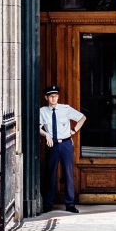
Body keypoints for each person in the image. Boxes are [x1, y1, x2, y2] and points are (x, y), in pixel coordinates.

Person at [39, 84, 86, 213]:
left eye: (56, 96)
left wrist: (74, 130)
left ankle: (70, 204)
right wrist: (46, 134)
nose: (54, 99)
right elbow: (38, 126)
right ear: (46, 97)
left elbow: (82, 118)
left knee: (68, 173)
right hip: (52, 145)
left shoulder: (65, 109)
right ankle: (48, 204)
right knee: (50, 173)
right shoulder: (42, 111)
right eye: (51, 96)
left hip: (65, 144)